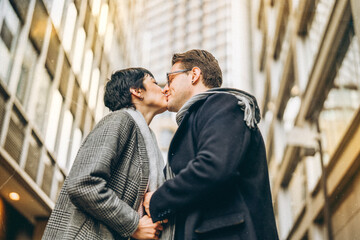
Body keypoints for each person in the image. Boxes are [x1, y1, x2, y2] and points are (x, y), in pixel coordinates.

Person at [144, 49, 279, 240]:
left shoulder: (222, 104)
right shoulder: (200, 116)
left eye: (170, 78)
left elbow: (214, 166)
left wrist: (158, 200)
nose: (165, 88)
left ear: (194, 75)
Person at [42, 68, 170, 240]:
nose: (163, 89)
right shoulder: (120, 120)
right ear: (137, 91)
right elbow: (83, 184)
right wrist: (133, 225)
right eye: (154, 83)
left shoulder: (147, 140)